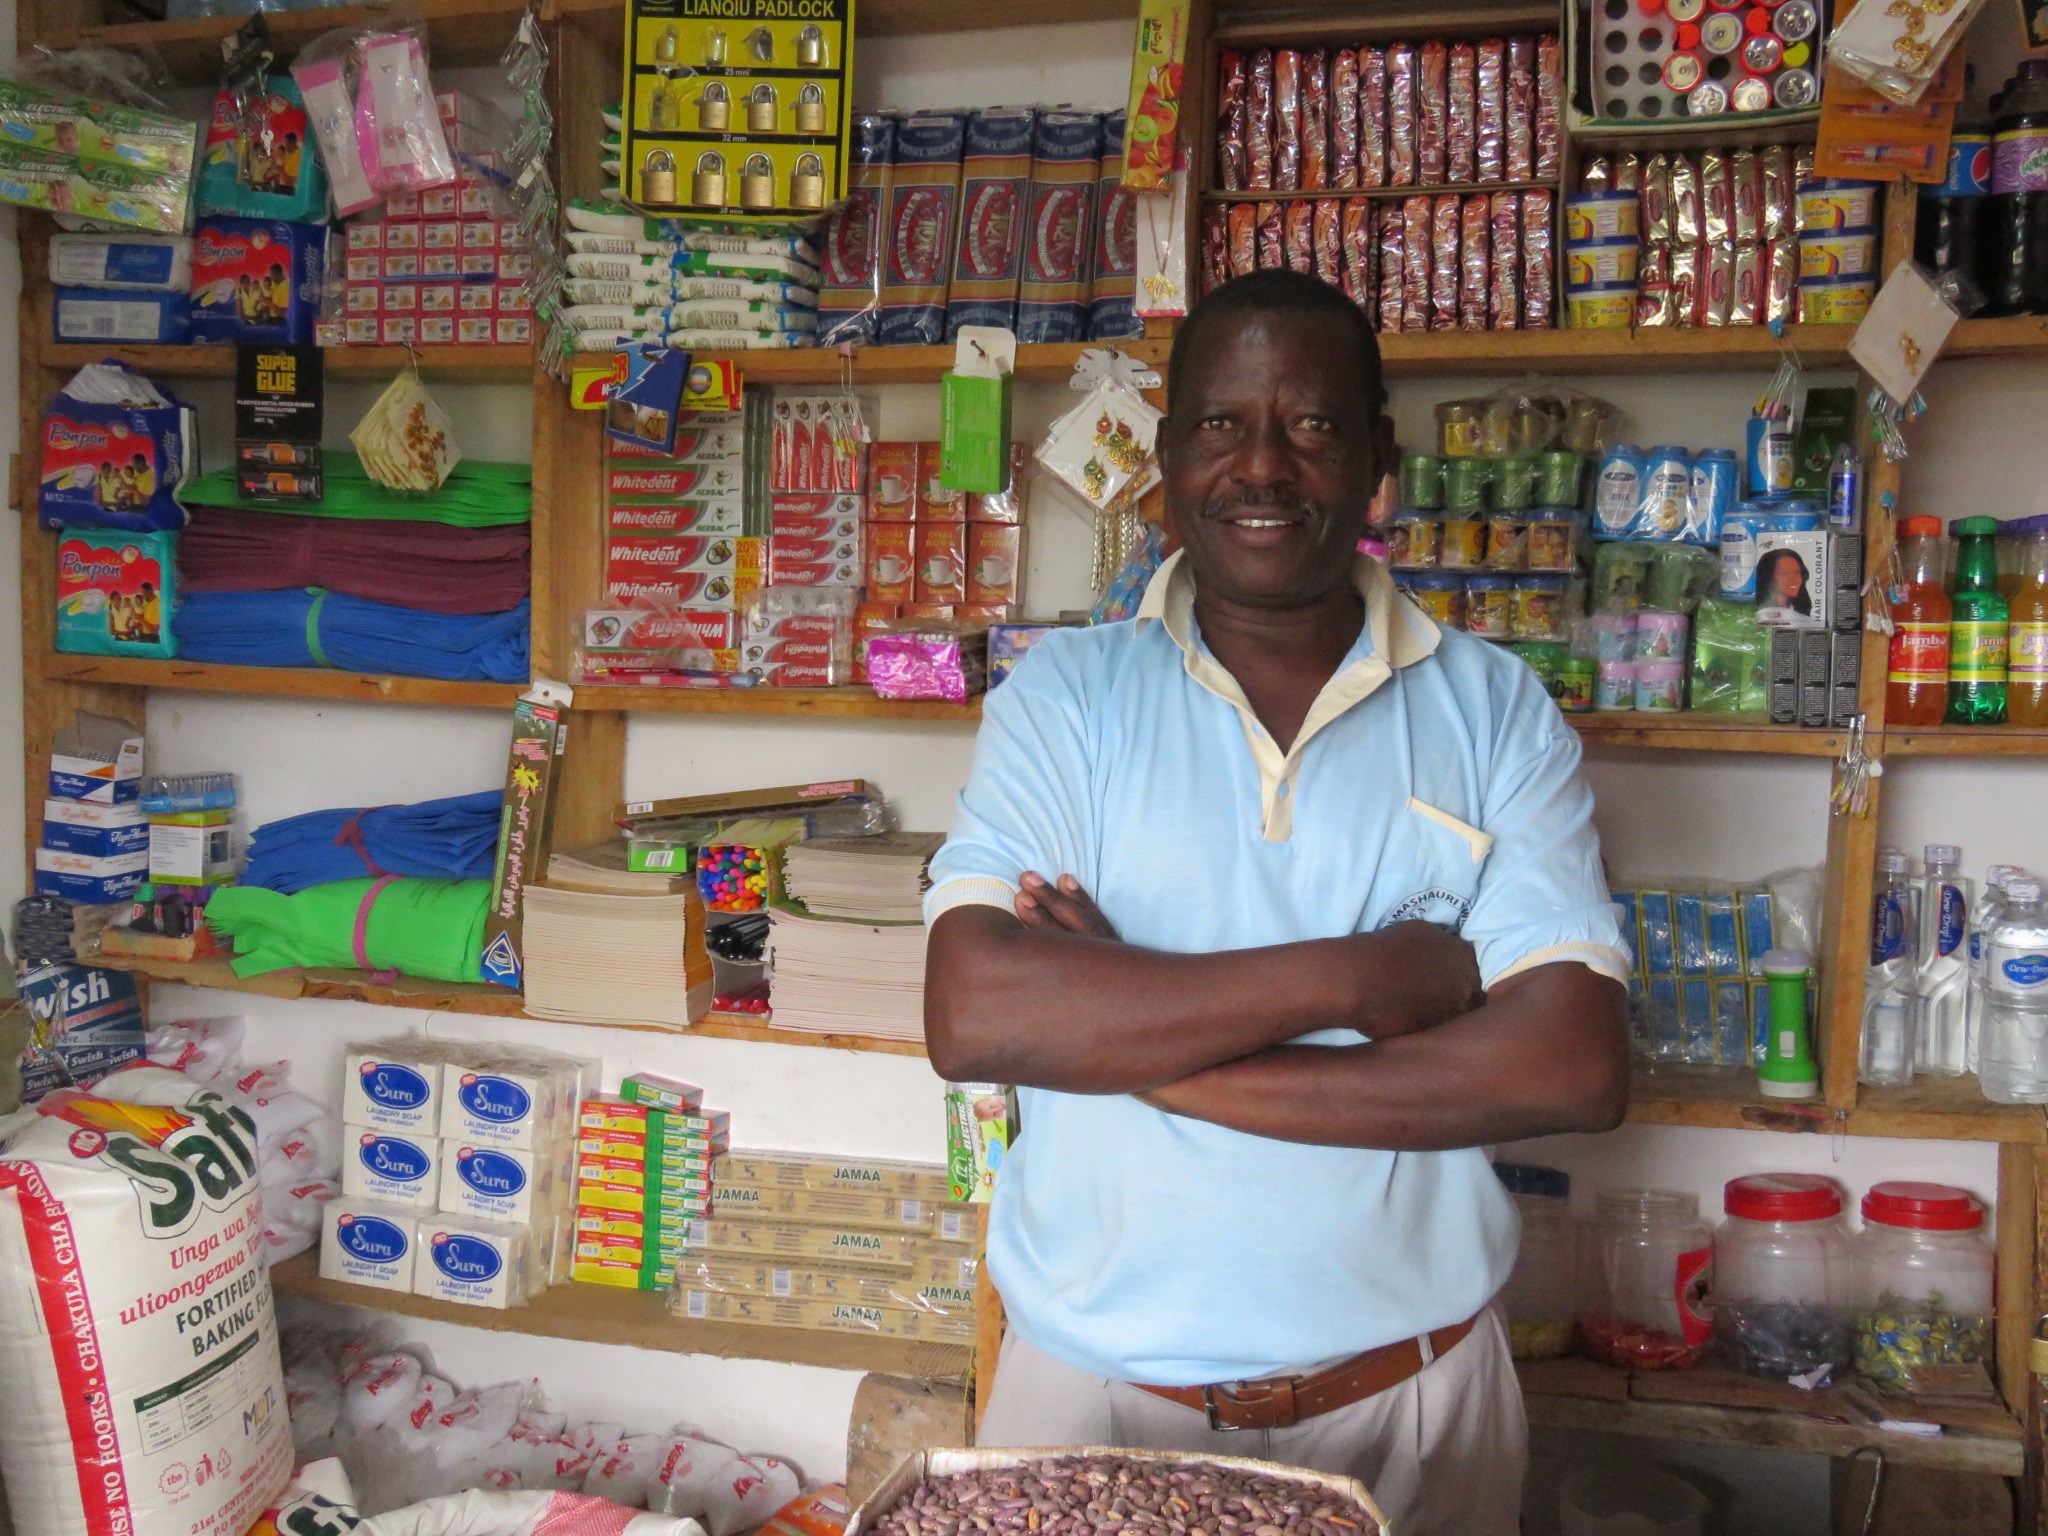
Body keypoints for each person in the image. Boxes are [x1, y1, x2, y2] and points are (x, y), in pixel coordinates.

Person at [922, 270, 1630, 1536]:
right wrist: (1352, 981)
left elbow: (1566, 1067)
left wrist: (1139, 1048)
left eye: (1308, 426)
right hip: (1089, 1401)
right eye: (1217, 424)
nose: (1261, 466)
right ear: (1163, 455)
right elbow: (974, 1010)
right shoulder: (1063, 697)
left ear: (1375, 464)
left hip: (1412, 1410)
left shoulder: (1492, 707)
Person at [1755, 548, 1813, 620]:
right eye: (1786, 574)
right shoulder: (1756, 613)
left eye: (1797, 573)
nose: (1794, 580)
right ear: (1769, 577)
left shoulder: (1802, 612)